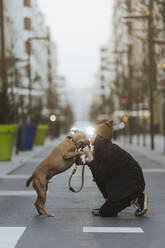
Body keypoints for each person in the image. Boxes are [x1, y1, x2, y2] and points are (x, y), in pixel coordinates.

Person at [87, 120, 148, 217]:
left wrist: (90, 160)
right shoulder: (101, 149)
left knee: (106, 212)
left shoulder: (109, 151)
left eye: (94, 134)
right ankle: (113, 201)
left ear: (100, 137)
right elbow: (99, 177)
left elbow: (100, 175)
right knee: (107, 208)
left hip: (133, 185)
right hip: (125, 184)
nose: (91, 137)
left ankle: (137, 198)